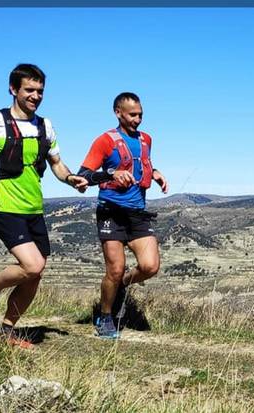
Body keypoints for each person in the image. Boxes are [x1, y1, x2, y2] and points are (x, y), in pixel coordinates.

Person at [0, 63, 88, 348]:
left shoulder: (44, 126)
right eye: (29, 90)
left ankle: (7, 331)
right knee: (32, 265)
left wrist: (72, 179)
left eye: (40, 91)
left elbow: (57, 164)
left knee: (35, 275)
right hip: (3, 204)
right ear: (13, 89)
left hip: (34, 207)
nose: (36, 96)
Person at [78, 92, 168, 339]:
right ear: (118, 112)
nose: (137, 119)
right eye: (132, 115)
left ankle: (121, 288)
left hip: (137, 212)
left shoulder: (146, 139)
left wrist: (157, 172)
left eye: (140, 114)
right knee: (115, 270)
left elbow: (142, 163)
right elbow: (83, 177)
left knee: (150, 266)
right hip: (111, 212)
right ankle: (105, 317)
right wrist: (110, 174)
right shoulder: (104, 141)